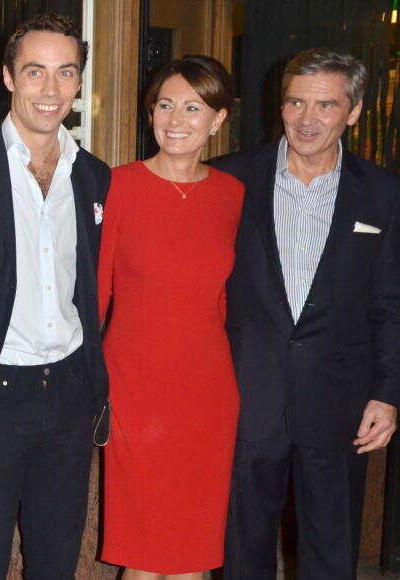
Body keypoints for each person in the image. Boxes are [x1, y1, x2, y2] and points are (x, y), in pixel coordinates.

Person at [211, 48, 400, 579]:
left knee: (331, 555)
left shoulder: (383, 194)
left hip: (339, 402)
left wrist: (388, 395)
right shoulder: (228, 180)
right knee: (242, 555)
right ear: (281, 104)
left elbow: (390, 304)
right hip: (248, 395)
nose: (308, 119)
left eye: (326, 105)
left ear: (354, 111)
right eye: (296, 102)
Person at [0, 13, 110, 580]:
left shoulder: (94, 176)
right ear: (7, 77)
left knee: (55, 564)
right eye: (35, 72)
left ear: (78, 82)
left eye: (65, 73)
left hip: (68, 393)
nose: (50, 90)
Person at [98, 56, 244, 579]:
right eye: (165, 105)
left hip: (207, 394)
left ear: (217, 119)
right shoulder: (116, 187)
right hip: (135, 390)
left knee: (194, 555)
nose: (176, 119)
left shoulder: (232, 195)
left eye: (192, 107)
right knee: (144, 555)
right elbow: (94, 297)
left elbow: (228, 302)